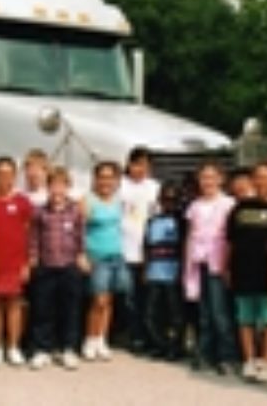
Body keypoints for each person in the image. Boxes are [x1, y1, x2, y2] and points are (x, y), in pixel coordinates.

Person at [226, 165, 267, 381]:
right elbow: (230, 242)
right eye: (257, 177)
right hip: (243, 269)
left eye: (266, 177)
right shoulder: (239, 209)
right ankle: (249, 361)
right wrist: (227, 268)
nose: (262, 181)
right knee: (245, 319)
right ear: (252, 181)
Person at [28, 167, 89, 371]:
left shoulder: (76, 211)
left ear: (67, 187)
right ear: (48, 187)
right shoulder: (40, 212)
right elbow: (34, 238)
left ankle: (68, 348)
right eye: (53, 185)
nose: (57, 189)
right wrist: (33, 257)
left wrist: (81, 255)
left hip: (69, 266)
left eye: (61, 185)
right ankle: (42, 349)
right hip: (46, 266)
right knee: (43, 309)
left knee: (70, 309)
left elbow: (81, 236)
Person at [0, 157, 34, 367]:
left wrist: (27, 263)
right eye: (1, 173)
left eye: (10, 174)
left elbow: (29, 234)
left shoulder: (22, 202)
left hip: (16, 261)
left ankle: (13, 347)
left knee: (14, 305)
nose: (5, 178)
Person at [183, 161, 236, 375]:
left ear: (221, 179)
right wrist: (187, 264)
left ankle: (226, 355)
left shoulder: (229, 203)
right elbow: (189, 234)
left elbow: (232, 237)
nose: (208, 181)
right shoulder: (195, 205)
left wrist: (228, 265)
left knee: (219, 311)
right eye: (204, 177)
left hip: (219, 261)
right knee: (204, 311)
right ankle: (205, 352)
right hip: (199, 261)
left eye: (212, 177)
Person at [82, 161, 129, 361]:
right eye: (102, 177)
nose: (106, 181)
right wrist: (82, 254)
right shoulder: (88, 200)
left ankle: (102, 338)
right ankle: (90, 338)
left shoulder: (119, 201)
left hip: (116, 256)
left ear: (117, 180)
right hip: (97, 257)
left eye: (110, 177)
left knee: (109, 300)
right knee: (98, 300)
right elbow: (79, 230)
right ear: (95, 179)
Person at [119, 146, 160, 351]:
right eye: (136, 164)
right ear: (129, 164)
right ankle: (133, 334)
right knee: (128, 295)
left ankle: (146, 335)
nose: (140, 168)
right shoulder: (120, 185)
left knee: (145, 296)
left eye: (145, 164)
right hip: (124, 249)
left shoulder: (154, 187)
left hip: (148, 250)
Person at [143, 182, 186, 360]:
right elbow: (146, 246)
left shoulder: (182, 220)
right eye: (165, 199)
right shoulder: (152, 220)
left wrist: (182, 271)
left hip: (173, 272)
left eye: (173, 199)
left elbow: (185, 247)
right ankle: (159, 345)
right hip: (154, 272)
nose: (169, 202)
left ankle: (175, 347)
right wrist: (145, 270)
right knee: (152, 314)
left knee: (175, 314)